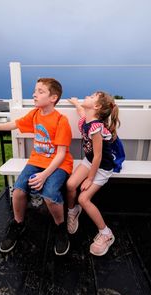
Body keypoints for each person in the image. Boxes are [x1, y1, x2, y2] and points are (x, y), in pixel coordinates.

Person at [0, 78, 73, 256]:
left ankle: (60, 228)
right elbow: (15, 124)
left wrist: (44, 175)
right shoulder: (35, 113)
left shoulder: (61, 120)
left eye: (40, 91)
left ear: (53, 98)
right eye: (35, 90)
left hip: (58, 164)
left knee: (50, 195)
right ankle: (18, 224)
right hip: (36, 161)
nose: (34, 94)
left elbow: (61, 154)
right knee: (19, 191)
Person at [66, 92, 120, 256]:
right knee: (70, 185)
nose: (87, 96)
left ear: (96, 107)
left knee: (83, 198)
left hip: (102, 167)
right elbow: (82, 112)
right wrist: (76, 103)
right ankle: (72, 211)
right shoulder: (86, 120)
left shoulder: (97, 128)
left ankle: (106, 233)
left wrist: (90, 179)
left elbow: (98, 156)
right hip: (90, 162)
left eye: (91, 96)